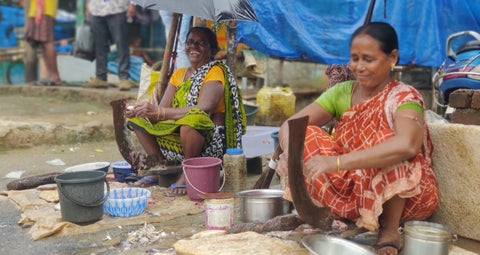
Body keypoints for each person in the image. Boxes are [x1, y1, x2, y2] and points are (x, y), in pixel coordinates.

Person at [275, 22, 439, 255]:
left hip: (406, 197)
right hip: (353, 188)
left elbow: (408, 146)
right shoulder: (343, 92)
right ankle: (341, 215)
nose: (358, 67)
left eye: (368, 59)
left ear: (392, 57)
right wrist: (289, 153)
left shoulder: (404, 96)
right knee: (306, 134)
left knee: (390, 143)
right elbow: (291, 126)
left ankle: (389, 230)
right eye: (354, 58)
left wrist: (337, 162)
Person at [125, 26, 246, 195]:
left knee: (192, 119)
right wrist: (142, 111)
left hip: (211, 140)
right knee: (137, 122)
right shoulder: (179, 74)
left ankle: (188, 173)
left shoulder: (215, 71)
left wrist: (159, 112)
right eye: (190, 42)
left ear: (212, 49)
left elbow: (204, 108)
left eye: (201, 43)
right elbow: (162, 111)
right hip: (180, 135)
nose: (193, 47)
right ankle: (161, 167)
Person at [83, 0, 137, 91]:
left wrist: (132, 4)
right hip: (96, 8)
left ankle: (124, 78)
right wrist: (87, 5)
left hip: (117, 7)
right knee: (99, 45)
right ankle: (100, 77)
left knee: (121, 44)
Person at [24, 0, 62, 86]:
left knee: (47, 41)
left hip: (44, 9)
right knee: (42, 43)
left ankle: (54, 77)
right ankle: (49, 76)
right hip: (37, 9)